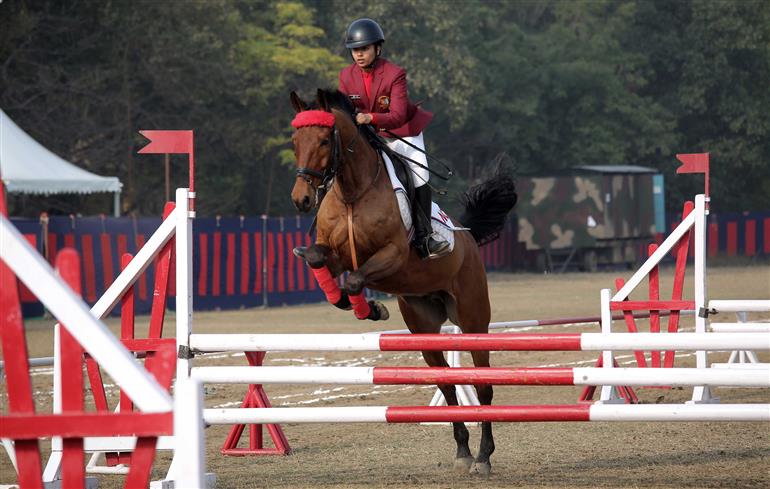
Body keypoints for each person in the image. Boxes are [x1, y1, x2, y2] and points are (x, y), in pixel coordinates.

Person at [338, 18, 450, 259]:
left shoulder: (394, 74)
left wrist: (369, 118)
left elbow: (397, 116)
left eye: (364, 49)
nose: (359, 55)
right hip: (369, 137)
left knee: (420, 176)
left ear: (377, 48)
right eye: (355, 50)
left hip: (402, 133)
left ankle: (425, 236)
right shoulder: (346, 77)